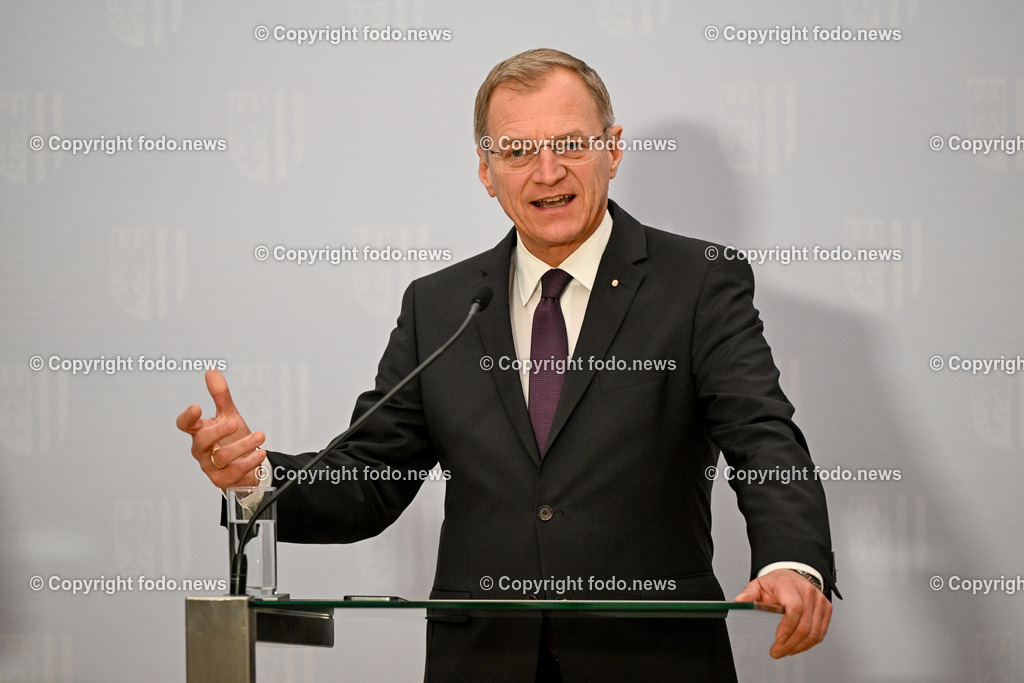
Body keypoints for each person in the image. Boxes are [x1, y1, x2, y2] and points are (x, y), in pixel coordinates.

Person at [177, 48, 838, 681]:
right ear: (486, 171)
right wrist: (257, 475)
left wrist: (792, 560)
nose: (546, 171)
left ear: (612, 149)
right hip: (482, 661)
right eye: (517, 151)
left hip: (650, 657)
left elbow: (762, 435)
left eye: (570, 144)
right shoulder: (440, 305)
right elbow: (370, 478)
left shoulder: (697, 283)